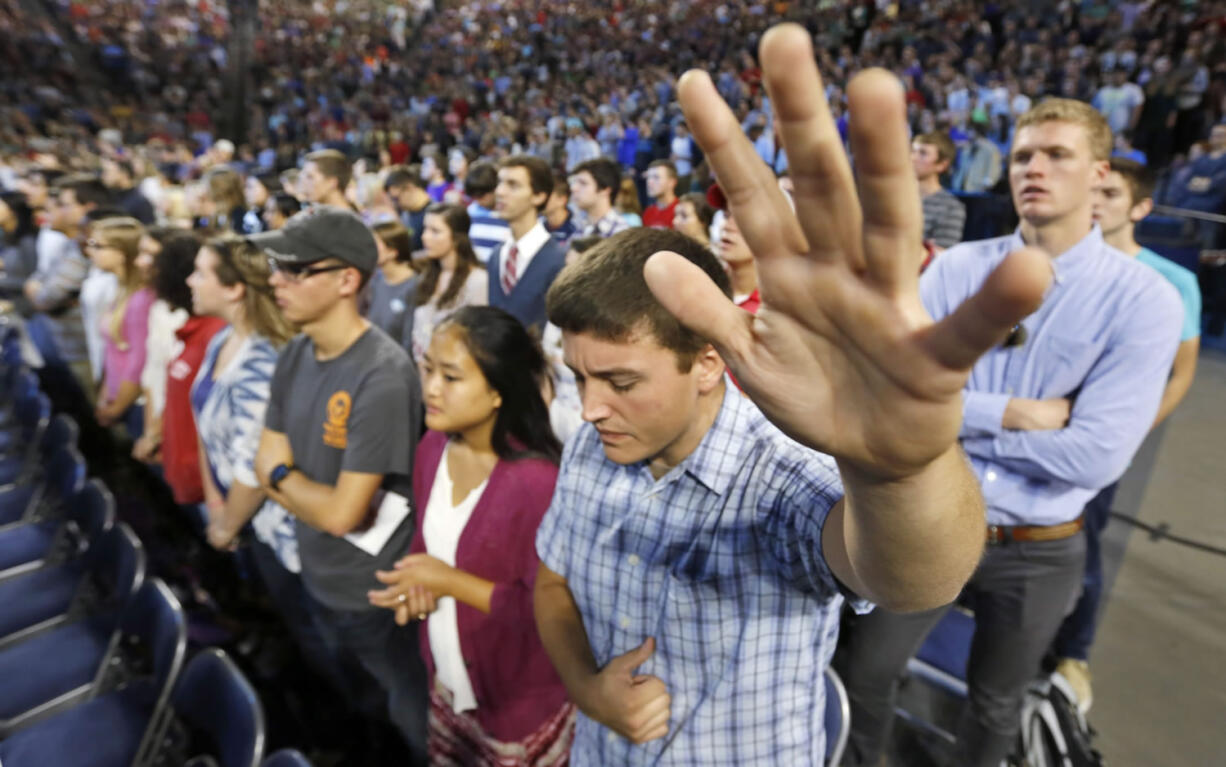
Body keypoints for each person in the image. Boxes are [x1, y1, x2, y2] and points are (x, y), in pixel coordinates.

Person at [838, 98, 1184, 767]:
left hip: (1039, 546)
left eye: (1058, 155)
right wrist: (1016, 413)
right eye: (1025, 155)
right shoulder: (959, 269)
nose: (1035, 168)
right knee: (868, 672)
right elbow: (893, 402)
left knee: (996, 706)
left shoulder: (1144, 300)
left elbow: (1093, 457)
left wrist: (954, 416)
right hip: (931, 522)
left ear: (1099, 174)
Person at [251, 206, 429, 764]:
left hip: (372, 592)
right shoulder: (296, 350)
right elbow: (265, 459)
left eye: (296, 269)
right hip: (318, 572)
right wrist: (291, 481)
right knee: (355, 704)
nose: (276, 280)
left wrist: (281, 478)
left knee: (407, 717)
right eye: (277, 266)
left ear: (347, 280)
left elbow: (340, 513)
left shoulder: (381, 373)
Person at [368, 306, 575, 766]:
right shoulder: (433, 448)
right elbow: (429, 544)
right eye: (428, 370)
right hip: (447, 674)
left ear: (498, 390)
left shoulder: (536, 484)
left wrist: (446, 581)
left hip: (517, 701)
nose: (431, 388)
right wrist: (416, 588)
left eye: (451, 377)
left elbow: (550, 612)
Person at [1051, 156, 1203, 710]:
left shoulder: (1174, 282)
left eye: (1110, 195)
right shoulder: (1057, 263)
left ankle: (1074, 654)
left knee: (1083, 547)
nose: (1095, 203)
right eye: (1091, 191)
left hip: (1099, 443)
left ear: (1139, 208)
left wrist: (1121, 434)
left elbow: (1181, 374)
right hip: (1034, 432)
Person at [150, 231, 226, 506]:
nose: (191, 280)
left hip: (212, 491)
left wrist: (220, 509)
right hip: (191, 479)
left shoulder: (218, 338)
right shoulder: (194, 331)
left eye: (201, 274)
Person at [86, 216, 157, 438]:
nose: (90, 251)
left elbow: (139, 362)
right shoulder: (121, 290)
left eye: (98, 246)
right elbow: (113, 351)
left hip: (135, 404)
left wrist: (117, 407)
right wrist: (106, 395)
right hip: (120, 398)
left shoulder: (141, 298)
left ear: (122, 253)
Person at [132, 230, 192, 465]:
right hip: (155, 419)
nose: (139, 261)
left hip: (175, 425)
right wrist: (150, 431)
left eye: (150, 254)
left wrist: (155, 434)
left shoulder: (184, 317)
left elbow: (177, 384)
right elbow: (152, 374)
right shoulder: (159, 306)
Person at [489, 156, 566, 335]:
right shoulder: (496, 255)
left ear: (539, 196)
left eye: (513, 185)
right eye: (500, 183)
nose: (500, 191)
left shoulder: (559, 260)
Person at [410, 203, 488, 364]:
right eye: (425, 229)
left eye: (435, 231)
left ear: (457, 238)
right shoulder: (427, 275)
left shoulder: (477, 280)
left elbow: (477, 340)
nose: (425, 237)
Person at [368, 219, 419, 352]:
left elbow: (409, 341)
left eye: (374, 244)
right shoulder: (375, 280)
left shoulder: (414, 287)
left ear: (393, 251)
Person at [912, 131, 967, 250]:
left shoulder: (951, 207)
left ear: (942, 165)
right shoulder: (895, 199)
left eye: (923, 153)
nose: (913, 158)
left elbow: (940, 256)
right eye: (912, 151)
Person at [570, 158, 630, 238]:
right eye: (574, 182)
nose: (573, 188)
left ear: (605, 190)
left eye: (583, 183)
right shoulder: (578, 227)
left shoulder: (621, 233)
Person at [464, 162, 511, 264]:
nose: (478, 200)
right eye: (474, 196)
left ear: (496, 188)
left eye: (482, 195)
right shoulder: (470, 212)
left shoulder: (510, 214)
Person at [385, 164, 432, 250]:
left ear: (409, 188)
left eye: (396, 198)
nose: (394, 204)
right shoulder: (406, 215)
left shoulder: (433, 213)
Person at [100, 157, 156, 224]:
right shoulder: (108, 197)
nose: (103, 176)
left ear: (124, 173)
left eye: (107, 172)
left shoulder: (141, 202)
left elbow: (148, 229)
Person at [541, 174, 578, 247]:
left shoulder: (577, 228)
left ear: (562, 199)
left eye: (545, 195)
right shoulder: (535, 224)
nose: (539, 198)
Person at [642, 160, 679, 229]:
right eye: (648, 177)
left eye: (656, 177)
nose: (649, 182)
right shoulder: (648, 213)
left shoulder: (681, 212)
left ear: (672, 182)